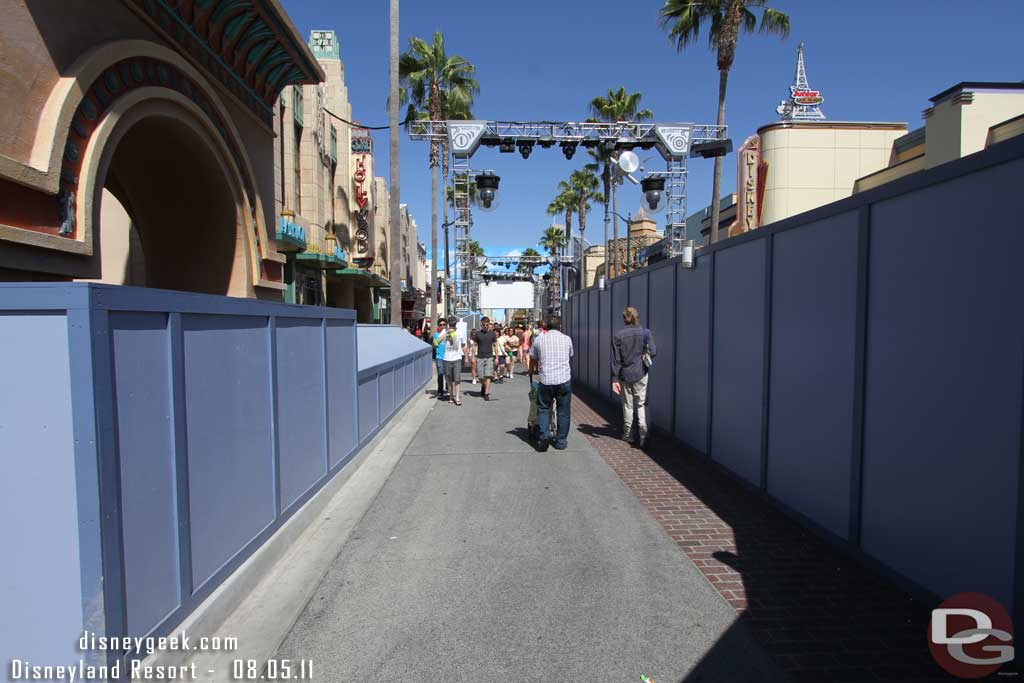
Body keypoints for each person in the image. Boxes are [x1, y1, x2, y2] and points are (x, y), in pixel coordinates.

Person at [611, 306, 657, 449]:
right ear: (637, 318)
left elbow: (616, 360)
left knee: (628, 405)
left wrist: (614, 379)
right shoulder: (645, 333)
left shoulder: (618, 335)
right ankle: (643, 431)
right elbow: (654, 351)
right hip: (641, 372)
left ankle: (628, 434)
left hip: (625, 374)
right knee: (641, 403)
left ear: (625, 319)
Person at [529, 314, 573, 451]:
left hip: (546, 379)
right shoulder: (567, 339)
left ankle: (544, 436)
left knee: (543, 408)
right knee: (563, 411)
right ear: (559, 325)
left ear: (545, 326)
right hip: (563, 379)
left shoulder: (539, 340)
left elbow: (533, 356)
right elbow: (571, 354)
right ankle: (560, 442)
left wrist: (532, 371)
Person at [472, 317, 499, 401]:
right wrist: (473, 357)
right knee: (480, 377)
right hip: (479, 357)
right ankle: (483, 385)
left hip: (489, 357)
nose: (485, 326)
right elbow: (474, 345)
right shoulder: (477, 334)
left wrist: (497, 357)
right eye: (484, 325)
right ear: (481, 324)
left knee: (488, 375)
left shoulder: (492, 334)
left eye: (487, 325)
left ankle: (486, 393)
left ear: (489, 324)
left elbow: (495, 345)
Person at [442, 316, 466, 406]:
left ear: (456, 323)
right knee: (449, 379)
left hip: (457, 358)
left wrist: (466, 356)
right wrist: (445, 333)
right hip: (447, 358)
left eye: (453, 324)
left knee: (457, 378)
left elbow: (463, 345)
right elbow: (437, 342)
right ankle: (451, 397)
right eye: (450, 324)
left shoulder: (460, 332)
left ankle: (457, 397)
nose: (452, 325)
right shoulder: (444, 331)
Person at [431, 319, 448, 399]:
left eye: (444, 324)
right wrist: (436, 341)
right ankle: (440, 391)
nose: (442, 326)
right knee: (440, 374)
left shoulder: (449, 334)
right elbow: (434, 346)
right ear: (438, 326)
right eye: (440, 325)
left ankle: (448, 389)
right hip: (439, 357)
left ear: (446, 325)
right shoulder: (436, 335)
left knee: (448, 374)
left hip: (448, 357)